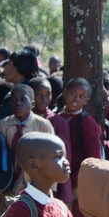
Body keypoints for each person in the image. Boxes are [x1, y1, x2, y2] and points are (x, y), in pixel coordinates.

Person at [58, 78, 103, 217]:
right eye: (73, 93)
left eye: (81, 96)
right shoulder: (57, 117)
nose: (76, 98)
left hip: (77, 185)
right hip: (58, 179)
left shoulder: (86, 122)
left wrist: (74, 182)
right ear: (65, 93)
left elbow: (93, 159)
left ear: (86, 101)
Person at [0, 84, 55, 194]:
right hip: (8, 183)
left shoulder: (43, 125)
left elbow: (50, 156)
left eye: (23, 99)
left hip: (35, 184)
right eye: (14, 100)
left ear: (32, 104)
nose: (18, 103)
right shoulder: (3, 125)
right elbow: (0, 154)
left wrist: (50, 187)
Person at [29, 77, 74, 206]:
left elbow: (65, 157)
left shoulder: (58, 122)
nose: (44, 99)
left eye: (47, 94)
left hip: (53, 185)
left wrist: (66, 195)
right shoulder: (25, 120)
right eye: (39, 95)